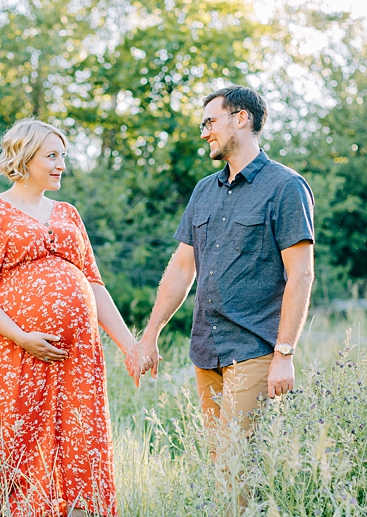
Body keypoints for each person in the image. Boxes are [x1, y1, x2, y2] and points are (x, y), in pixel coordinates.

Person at [0, 118, 141, 517]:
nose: (61, 166)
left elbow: (93, 285)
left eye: (63, 156)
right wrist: (21, 336)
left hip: (77, 358)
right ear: (24, 157)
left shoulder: (68, 213)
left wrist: (129, 345)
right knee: (18, 438)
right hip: (12, 352)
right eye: (52, 156)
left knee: (82, 440)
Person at [128, 85, 315, 435]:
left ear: (241, 118)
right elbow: (182, 267)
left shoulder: (286, 187)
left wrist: (284, 354)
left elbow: (301, 274)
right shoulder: (203, 191)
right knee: (218, 460)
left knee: (239, 461)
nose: (205, 133)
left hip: (254, 349)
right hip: (206, 350)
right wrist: (151, 334)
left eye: (210, 122)